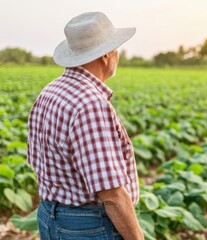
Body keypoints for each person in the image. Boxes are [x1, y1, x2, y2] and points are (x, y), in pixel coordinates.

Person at [27, 12, 144, 240]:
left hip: (49, 215)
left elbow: (36, 159)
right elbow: (112, 194)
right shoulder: (90, 104)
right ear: (106, 56)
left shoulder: (50, 91)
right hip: (87, 226)